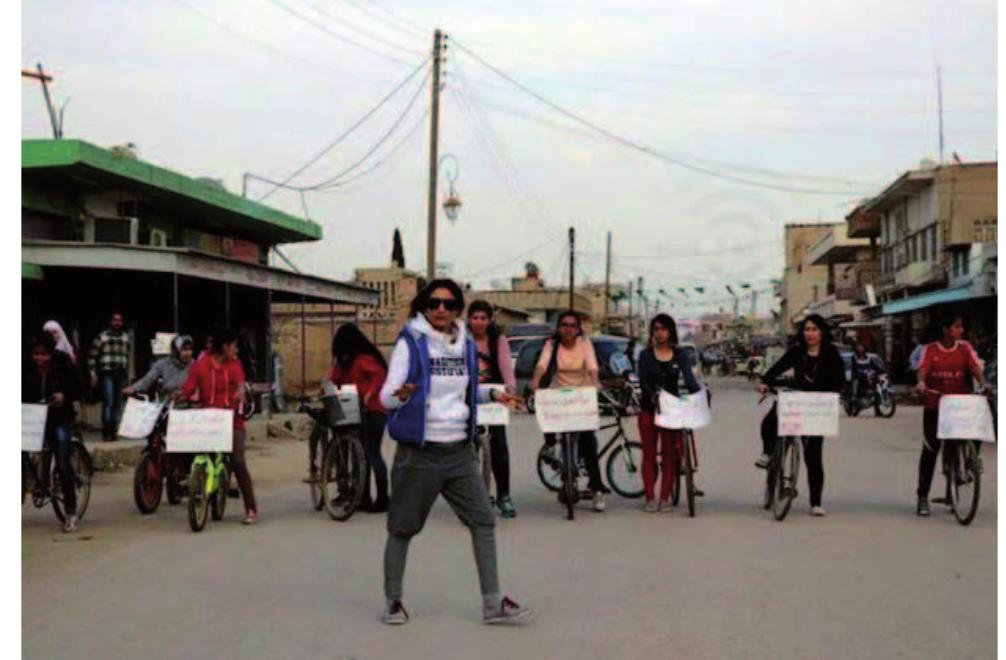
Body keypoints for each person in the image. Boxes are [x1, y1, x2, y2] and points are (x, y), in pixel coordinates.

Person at [378, 279, 531, 626]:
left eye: (449, 304)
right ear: (423, 307)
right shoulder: (412, 342)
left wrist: (494, 395)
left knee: (483, 520)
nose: (441, 310)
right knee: (402, 527)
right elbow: (385, 395)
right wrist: (401, 395)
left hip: (460, 451)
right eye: (434, 304)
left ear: (458, 308)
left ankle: (492, 602)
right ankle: (392, 601)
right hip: (420, 452)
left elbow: (467, 391)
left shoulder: (464, 345)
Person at [757, 314, 845, 517]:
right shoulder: (797, 351)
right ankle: (767, 454)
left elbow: (839, 380)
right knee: (772, 420)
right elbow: (778, 367)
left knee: (813, 456)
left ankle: (816, 501)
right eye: (807, 329)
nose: (810, 334)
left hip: (816, 407)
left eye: (814, 329)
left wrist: (834, 394)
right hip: (797, 400)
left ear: (822, 332)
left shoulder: (831, 353)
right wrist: (765, 381)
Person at [175, 327, 259, 525]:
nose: (236, 350)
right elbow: (190, 387)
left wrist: (240, 393)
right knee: (194, 451)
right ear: (225, 346)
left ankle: (251, 508)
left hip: (232, 419)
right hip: (208, 419)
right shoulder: (200, 365)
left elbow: (240, 384)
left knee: (238, 461)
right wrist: (180, 395)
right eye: (234, 346)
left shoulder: (235, 365)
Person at [530, 310, 611, 512]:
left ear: (578, 329)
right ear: (559, 327)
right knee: (546, 409)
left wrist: (595, 382)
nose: (568, 329)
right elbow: (542, 364)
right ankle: (550, 445)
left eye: (572, 325)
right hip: (559, 393)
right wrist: (535, 380)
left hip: (581, 394)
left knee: (588, 443)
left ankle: (597, 489)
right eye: (564, 325)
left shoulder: (585, 344)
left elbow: (592, 366)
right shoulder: (552, 344)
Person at [913, 311, 990, 517]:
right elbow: (923, 369)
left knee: (976, 430)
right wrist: (921, 382)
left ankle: (970, 464)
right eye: (957, 327)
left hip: (960, 406)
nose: (961, 330)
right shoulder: (930, 350)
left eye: (961, 327)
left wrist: (983, 383)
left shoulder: (965, 348)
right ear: (946, 330)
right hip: (936, 406)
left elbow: (975, 368)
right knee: (930, 451)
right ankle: (922, 496)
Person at [636, 314, 702, 513]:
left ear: (671, 331)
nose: (659, 333)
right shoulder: (645, 355)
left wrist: (700, 395)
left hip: (672, 411)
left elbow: (689, 380)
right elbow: (643, 383)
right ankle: (649, 497)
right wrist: (653, 396)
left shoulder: (680, 355)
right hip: (649, 409)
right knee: (649, 455)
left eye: (663, 329)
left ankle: (664, 498)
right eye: (656, 329)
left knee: (669, 454)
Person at [328, 323, 390, 513]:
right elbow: (333, 379)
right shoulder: (344, 363)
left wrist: (370, 392)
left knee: (371, 452)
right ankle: (363, 498)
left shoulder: (364, 359)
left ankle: (382, 499)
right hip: (356, 411)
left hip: (373, 411)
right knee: (361, 454)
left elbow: (380, 376)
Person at [23, 334, 81, 533]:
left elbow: (78, 387)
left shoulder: (63, 365)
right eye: (36, 354)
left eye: (44, 354)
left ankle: (71, 511)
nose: (40, 359)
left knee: (63, 464)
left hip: (59, 418)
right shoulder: (25, 368)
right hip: (32, 419)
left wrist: (64, 396)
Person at [466, 300, 519, 518]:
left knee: (499, 446)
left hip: (496, 398)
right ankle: (471, 497)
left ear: (490, 320)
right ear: (469, 320)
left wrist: (511, 392)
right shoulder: (461, 341)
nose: (479, 322)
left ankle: (504, 495)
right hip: (468, 397)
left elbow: (507, 369)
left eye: (483, 318)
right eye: (475, 318)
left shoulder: (498, 341)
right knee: (468, 449)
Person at [87, 312, 130, 442]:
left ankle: (114, 430)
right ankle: (106, 431)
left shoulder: (125, 338)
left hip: (120, 372)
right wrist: (93, 374)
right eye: (114, 320)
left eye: (120, 320)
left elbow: (127, 357)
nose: (117, 323)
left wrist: (128, 375)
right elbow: (92, 357)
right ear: (110, 322)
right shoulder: (102, 337)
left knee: (118, 403)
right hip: (106, 372)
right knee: (108, 402)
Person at [123, 335, 195, 399]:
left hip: (188, 403)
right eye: (184, 349)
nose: (188, 353)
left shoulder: (194, 365)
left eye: (190, 349)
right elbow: (148, 379)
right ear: (175, 351)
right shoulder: (163, 364)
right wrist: (134, 388)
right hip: (167, 402)